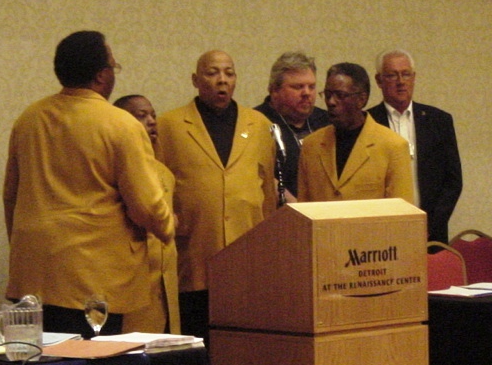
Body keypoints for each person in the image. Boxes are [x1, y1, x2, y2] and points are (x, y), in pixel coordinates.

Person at [4, 31, 173, 336]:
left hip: (32, 275)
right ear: (101, 75)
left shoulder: (29, 118)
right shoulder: (120, 124)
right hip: (92, 279)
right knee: (91, 363)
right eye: (113, 66)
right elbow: (146, 206)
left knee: (42, 363)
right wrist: (168, 226)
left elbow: (11, 197)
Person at [156, 50, 277, 340]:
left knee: (244, 343)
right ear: (195, 80)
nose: (222, 80)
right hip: (194, 254)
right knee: (199, 341)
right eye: (212, 73)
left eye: (229, 73)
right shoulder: (169, 125)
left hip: (246, 257)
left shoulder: (258, 124)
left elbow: (267, 193)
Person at [368, 49, 462, 243]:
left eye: (406, 74)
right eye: (392, 75)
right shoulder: (367, 122)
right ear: (379, 80)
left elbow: (453, 181)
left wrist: (430, 226)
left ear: (414, 77)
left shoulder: (439, 121)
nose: (400, 81)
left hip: (431, 233)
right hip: (381, 233)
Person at [297, 62, 414, 204]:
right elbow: (303, 207)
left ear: (361, 99)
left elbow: (402, 212)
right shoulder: (311, 145)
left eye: (340, 95)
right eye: (328, 95)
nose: (331, 102)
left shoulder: (393, 146)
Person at [114, 94, 181, 334]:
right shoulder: (116, 167)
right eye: (141, 116)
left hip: (166, 280)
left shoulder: (164, 172)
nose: (152, 121)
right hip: (134, 279)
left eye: (153, 115)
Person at [254, 51, 329, 203]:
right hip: (279, 211)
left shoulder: (326, 121)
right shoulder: (256, 123)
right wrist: (297, 208)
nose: (307, 93)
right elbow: (259, 174)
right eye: (298, 87)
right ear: (274, 90)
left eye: (311, 87)